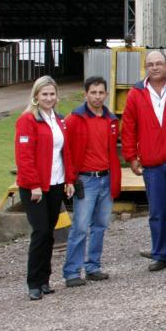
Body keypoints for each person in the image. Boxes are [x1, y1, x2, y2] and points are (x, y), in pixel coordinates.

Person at [123, 51, 166, 272]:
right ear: (145, 67)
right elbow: (129, 127)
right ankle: (160, 254)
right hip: (152, 163)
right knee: (157, 212)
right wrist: (131, 156)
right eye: (150, 64)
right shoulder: (136, 93)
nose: (155, 68)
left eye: (159, 63)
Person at [15, 76, 75, 300]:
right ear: (36, 96)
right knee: (39, 232)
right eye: (44, 94)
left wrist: (69, 179)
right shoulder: (28, 120)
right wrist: (34, 185)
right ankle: (33, 282)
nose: (49, 98)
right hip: (36, 187)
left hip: (56, 183)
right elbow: (24, 156)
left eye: (52, 94)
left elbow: (65, 152)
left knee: (49, 233)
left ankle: (45, 280)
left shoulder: (58, 120)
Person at [61, 77, 122, 287]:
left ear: (106, 94)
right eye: (93, 92)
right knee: (80, 226)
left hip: (106, 178)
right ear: (85, 94)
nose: (97, 97)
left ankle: (93, 266)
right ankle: (71, 272)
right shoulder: (74, 119)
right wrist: (70, 178)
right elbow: (66, 151)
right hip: (86, 180)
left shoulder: (111, 120)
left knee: (100, 226)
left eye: (101, 92)